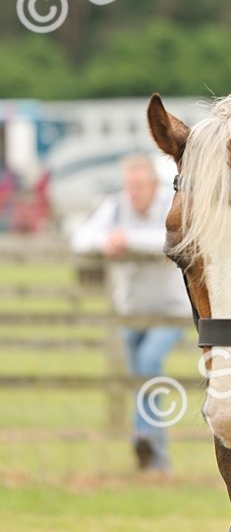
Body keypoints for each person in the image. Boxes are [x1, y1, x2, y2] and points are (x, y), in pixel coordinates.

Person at [71, 154, 190, 472]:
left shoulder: (170, 203)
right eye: (129, 185)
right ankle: (155, 455)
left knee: (149, 363)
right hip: (131, 311)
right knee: (141, 377)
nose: (133, 191)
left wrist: (128, 241)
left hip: (170, 310)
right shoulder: (116, 206)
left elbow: (174, 239)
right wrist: (106, 242)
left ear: (153, 184)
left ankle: (145, 437)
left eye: (138, 185)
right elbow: (81, 238)